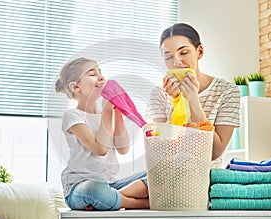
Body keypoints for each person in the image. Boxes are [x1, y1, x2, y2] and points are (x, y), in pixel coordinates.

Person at [55, 57, 149, 211]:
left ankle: (111, 198)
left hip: (109, 184)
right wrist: (107, 111)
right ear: (76, 87)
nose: (101, 77)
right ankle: (140, 204)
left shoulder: (104, 113)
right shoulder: (73, 116)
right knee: (94, 189)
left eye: (100, 72)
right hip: (79, 187)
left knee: (155, 176)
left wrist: (117, 111)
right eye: (92, 74)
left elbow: (123, 148)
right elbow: (100, 149)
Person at [146, 23, 240, 167]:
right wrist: (176, 102)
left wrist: (193, 102)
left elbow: (215, 152)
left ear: (199, 51)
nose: (176, 62)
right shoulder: (159, 93)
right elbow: (161, 150)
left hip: (204, 178)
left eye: (183, 53)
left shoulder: (227, 91)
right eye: (168, 57)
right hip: (166, 173)